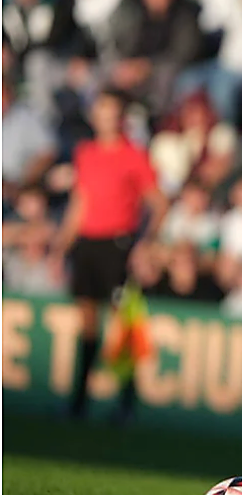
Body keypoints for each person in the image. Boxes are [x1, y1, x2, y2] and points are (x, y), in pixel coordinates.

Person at [51, 89, 168, 419]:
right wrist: (60, 247)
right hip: (87, 243)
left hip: (117, 245)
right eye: (101, 109)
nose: (106, 117)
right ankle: (79, 401)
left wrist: (144, 243)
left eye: (112, 110)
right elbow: (80, 203)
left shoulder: (134, 155)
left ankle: (126, 403)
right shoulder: (85, 153)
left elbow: (158, 203)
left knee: (123, 326)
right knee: (87, 325)